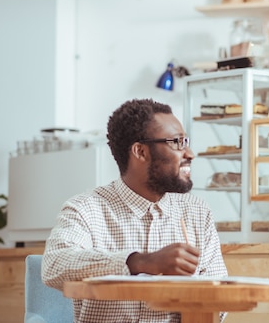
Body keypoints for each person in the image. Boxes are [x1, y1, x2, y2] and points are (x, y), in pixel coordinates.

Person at [42, 98, 227, 322]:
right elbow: (54, 265)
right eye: (177, 142)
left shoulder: (196, 212)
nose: (189, 153)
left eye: (186, 141)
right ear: (140, 151)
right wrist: (140, 263)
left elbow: (221, 298)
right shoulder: (86, 208)